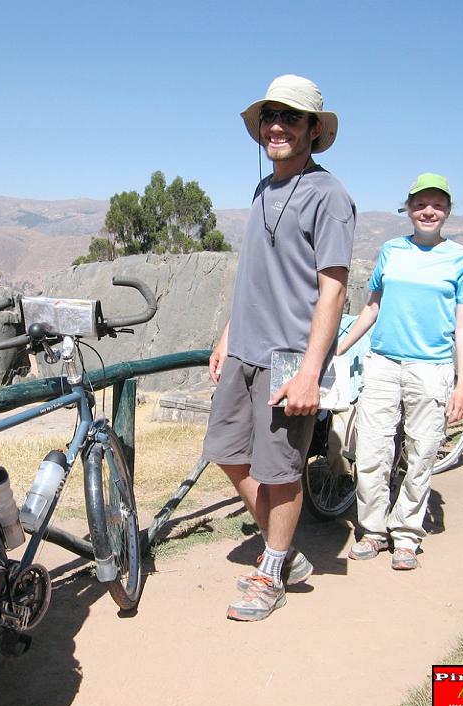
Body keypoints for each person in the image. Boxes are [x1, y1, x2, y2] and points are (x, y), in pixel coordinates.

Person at [202, 74, 355, 621]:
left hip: (289, 356)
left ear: (313, 129)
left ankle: (270, 573)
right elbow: (255, 275)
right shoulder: (262, 190)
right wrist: (225, 335)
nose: (277, 126)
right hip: (244, 348)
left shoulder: (329, 195)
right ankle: (283, 549)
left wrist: (312, 370)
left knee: (282, 469)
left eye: (291, 117)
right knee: (225, 451)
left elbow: (333, 288)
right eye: (270, 115)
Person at [337, 173, 463, 570]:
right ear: (409, 209)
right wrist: (339, 348)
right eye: (420, 204)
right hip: (382, 363)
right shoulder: (391, 251)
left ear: (447, 210)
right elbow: (373, 307)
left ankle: (405, 536)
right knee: (370, 451)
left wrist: (462, 383)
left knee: (421, 453)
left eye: (436, 204)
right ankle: (372, 530)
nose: (428, 211)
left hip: (432, 368)